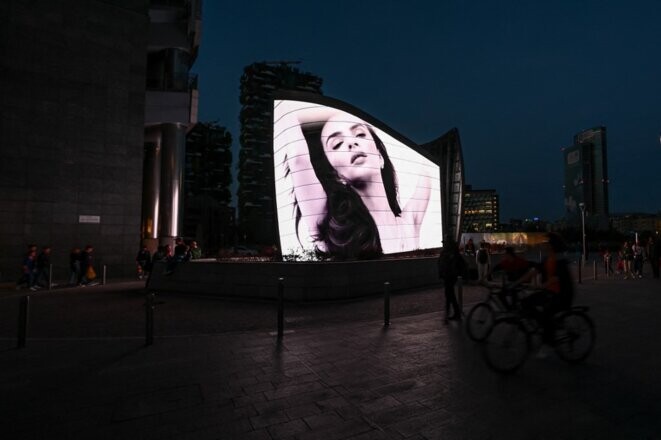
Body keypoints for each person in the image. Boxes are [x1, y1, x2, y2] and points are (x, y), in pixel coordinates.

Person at [286, 111, 432, 259]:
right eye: (337, 144)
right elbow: (297, 155)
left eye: (360, 134)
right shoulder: (331, 227)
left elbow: (428, 166)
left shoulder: (409, 223)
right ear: (337, 176)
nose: (351, 143)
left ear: (380, 156)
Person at [516, 233, 574, 345]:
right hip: (550, 293)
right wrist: (516, 283)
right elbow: (534, 271)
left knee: (547, 313)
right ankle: (544, 325)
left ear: (553, 245)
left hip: (562, 295)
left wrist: (540, 286)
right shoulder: (547, 259)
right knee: (525, 303)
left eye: (547, 243)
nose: (544, 245)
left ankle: (548, 339)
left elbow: (556, 278)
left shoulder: (559, 260)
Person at [437, 237, 467, 322]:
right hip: (447, 276)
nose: (443, 244)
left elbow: (459, 263)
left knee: (448, 294)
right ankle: (456, 313)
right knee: (450, 295)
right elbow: (441, 263)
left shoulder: (451, 252)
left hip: (450, 276)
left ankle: (447, 315)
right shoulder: (447, 251)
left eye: (445, 242)